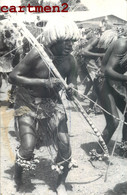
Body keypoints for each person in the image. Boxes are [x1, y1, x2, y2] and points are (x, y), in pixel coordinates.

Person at [9, 18, 79, 194]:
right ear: (54, 40)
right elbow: (13, 76)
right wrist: (43, 82)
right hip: (28, 101)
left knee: (64, 145)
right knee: (28, 146)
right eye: (66, 42)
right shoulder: (37, 54)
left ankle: (60, 182)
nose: (70, 46)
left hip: (52, 103)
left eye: (72, 42)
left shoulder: (71, 61)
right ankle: (17, 175)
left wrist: (72, 90)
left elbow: (73, 85)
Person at [94, 36, 127, 157]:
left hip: (116, 83)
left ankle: (124, 147)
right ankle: (98, 152)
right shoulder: (122, 44)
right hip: (103, 81)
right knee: (113, 121)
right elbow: (108, 70)